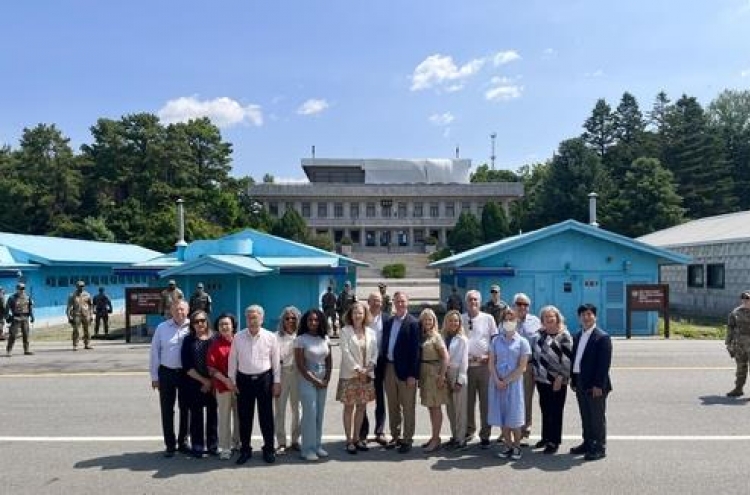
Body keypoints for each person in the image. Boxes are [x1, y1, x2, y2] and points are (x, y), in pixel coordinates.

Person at [229, 304, 281, 465]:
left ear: (262, 318)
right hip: (244, 381)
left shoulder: (271, 337)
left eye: (255, 317)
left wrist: (277, 382)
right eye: (249, 317)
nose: (252, 320)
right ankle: (245, 450)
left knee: (266, 417)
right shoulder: (238, 337)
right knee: (245, 417)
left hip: (264, 379)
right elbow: (232, 360)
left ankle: (269, 449)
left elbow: (275, 362)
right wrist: (232, 380)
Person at [570, 303, 612, 461]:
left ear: (595, 317)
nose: (586, 317)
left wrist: (598, 385)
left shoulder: (602, 337)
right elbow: (575, 360)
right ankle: (588, 442)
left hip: (596, 385)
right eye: (583, 315)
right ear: (579, 318)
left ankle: (599, 447)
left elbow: (604, 364)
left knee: (597, 417)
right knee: (585, 415)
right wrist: (573, 380)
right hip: (580, 381)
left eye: (589, 314)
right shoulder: (577, 335)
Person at [380, 291, 421, 453]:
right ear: (393, 303)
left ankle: (407, 438)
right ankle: (395, 436)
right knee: (393, 405)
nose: (400, 304)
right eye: (397, 301)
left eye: (403, 301)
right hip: (389, 368)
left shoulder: (413, 323)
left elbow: (416, 352)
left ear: (407, 303)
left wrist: (413, 374)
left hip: (406, 372)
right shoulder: (389, 322)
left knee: (408, 406)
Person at [149, 300, 191, 457]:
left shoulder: (192, 327)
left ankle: (183, 442)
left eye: (182, 309)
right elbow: (155, 353)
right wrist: (154, 376)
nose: (179, 312)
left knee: (186, 409)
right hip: (166, 373)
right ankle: (170, 444)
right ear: (171, 311)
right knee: (167, 410)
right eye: (176, 309)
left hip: (187, 374)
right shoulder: (162, 328)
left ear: (187, 311)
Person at [489, 307, 531, 461]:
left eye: (511, 319)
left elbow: (522, 367)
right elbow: (491, 363)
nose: (508, 322)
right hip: (497, 383)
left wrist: (506, 381)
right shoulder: (495, 340)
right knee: (502, 416)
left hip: (513, 384)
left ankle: (517, 446)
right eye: (506, 319)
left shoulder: (523, 342)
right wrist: (497, 380)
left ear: (516, 321)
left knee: (514, 417)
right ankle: (507, 445)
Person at [337, 301, 378, 454]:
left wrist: (370, 366)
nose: (357, 315)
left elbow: (375, 352)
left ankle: (356, 438)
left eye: (360, 313)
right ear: (350, 315)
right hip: (350, 375)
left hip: (366, 375)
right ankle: (348, 440)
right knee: (349, 408)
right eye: (355, 313)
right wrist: (358, 369)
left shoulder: (371, 332)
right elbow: (345, 352)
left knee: (361, 407)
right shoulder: (344, 331)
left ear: (365, 315)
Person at [531, 305, 573, 454]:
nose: (549, 319)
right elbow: (534, 356)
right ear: (542, 320)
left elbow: (567, 360)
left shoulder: (564, 336)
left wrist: (561, 377)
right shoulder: (539, 335)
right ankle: (545, 437)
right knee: (545, 409)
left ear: (557, 318)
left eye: (552, 316)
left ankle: (554, 441)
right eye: (546, 317)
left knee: (556, 411)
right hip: (541, 380)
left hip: (557, 381)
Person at [295, 309, 332, 461]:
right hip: (307, 378)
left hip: (323, 378)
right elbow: (300, 365)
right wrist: (314, 380)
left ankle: (317, 445)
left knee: (319, 413)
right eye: (310, 320)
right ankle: (307, 449)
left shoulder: (325, 338)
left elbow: (329, 360)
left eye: (316, 320)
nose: (313, 323)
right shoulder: (300, 339)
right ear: (305, 322)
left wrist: (327, 378)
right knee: (310, 413)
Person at [462, 289, 498, 448]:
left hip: (484, 367)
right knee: (468, 402)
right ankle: (470, 430)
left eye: (476, 299)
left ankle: (485, 434)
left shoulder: (488, 318)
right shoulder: (460, 319)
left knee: (486, 403)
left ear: (480, 302)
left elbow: (495, 341)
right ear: (466, 302)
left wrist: (489, 357)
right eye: (470, 299)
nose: (473, 302)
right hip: (466, 367)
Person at [181, 309, 218, 458]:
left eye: (202, 320)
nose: (200, 324)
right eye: (196, 321)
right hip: (195, 382)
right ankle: (197, 445)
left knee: (213, 414)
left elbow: (221, 362)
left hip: (215, 381)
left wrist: (212, 381)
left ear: (207, 321)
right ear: (192, 324)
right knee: (196, 415)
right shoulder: (188, 340)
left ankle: (213, 445)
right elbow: (186, 365)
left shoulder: (216, 337)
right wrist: (204, 381)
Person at [206, 313, 240, 460]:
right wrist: (226, 381)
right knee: (224, 418)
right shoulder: (215, 344)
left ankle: (237, 443)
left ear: (233, 326)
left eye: (227, 324)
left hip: (240, 386)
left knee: (240, 417)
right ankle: (225, 447)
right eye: (221, 324)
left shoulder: (240, 341)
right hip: (223, 386)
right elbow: (211, 368)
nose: (224, 327)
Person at [359, 292, 390, 446]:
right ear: (368, 302)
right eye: (374, 300)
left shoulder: (387, 319)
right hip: (364, 364)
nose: (377, 303)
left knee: (380, 397)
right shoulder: (363, 318)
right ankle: (362, 433)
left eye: (379, 301)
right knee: (363, 397)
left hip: (381, 363)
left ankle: (380, 431)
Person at [418, 308, 449, 453]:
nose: (427, 322)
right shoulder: (423, 336)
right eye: (425, 319)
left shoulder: (436, 337)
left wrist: (442, 376)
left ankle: (436, 439)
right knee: (431, 407)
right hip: (425, 374)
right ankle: (434, 436)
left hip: (434, 374)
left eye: (430, 319)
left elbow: (445, 357)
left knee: (436, 407)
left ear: (434, 321)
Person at [513, 292, 542, 442]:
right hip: (512, 367)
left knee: (526, 398)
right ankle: (510, 427)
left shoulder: (536, 321)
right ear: (514, 305)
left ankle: (525, 427)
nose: (522, 307)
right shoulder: (508, 320)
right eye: (519, 304)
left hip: (530, 366)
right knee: (512, 398)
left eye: (525, 304)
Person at [274, 306, 301, 454]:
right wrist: (276, 381)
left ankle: (296, 440)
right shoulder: (276, 336)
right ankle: (281, 442)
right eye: (287, 318)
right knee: (280, 409)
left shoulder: (301, 336)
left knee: (297, 409)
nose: (290, 321)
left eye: (293, 318)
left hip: (298, 374)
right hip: (282, 373)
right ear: (282, 320)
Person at [442, 310, 469, 450]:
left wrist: (460, 380)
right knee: (450, 409)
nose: (454, 323)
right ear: (446, 322)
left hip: (458, 373)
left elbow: (465, 362)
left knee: (460, 410)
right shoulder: (442, 337)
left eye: (456, 321)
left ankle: (461, 440)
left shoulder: (462, 339)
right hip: (445, 374)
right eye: (451, 320)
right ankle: (454, 436)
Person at [725, 291, 750, 397]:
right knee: (741, 367)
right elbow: (730, 327)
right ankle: (738, 388)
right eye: (744, 299)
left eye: (748, 299)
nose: (746, 301)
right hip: (740, 345)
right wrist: (728, 342)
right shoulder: (735, 312)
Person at [5, 282, 35, 356]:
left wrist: (32, 316)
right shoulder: (12, 298)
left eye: (23, 288)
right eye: (20, 289)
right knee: (13, 335)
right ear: (17, 289)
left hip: (25, 318)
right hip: (16, 318)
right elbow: (7, 308)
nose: (22, 290)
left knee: (26, 334)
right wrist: (7, 317)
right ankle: (9, 351)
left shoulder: (27, 297)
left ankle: (26, 350)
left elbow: (30, 307)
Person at [66, 280, 94, 350]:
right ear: (76, 286)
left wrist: (91, 315)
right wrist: (69, 317)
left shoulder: (87, 294)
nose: (81, 287)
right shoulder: (72, 295)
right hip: (76, 315)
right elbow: (69, 307)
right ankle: (75, 345)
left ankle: (87, 344)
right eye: (79, 286)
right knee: (76, 330)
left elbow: (91, 306)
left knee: (87, 330)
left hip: (86, 314)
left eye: (82, 286)